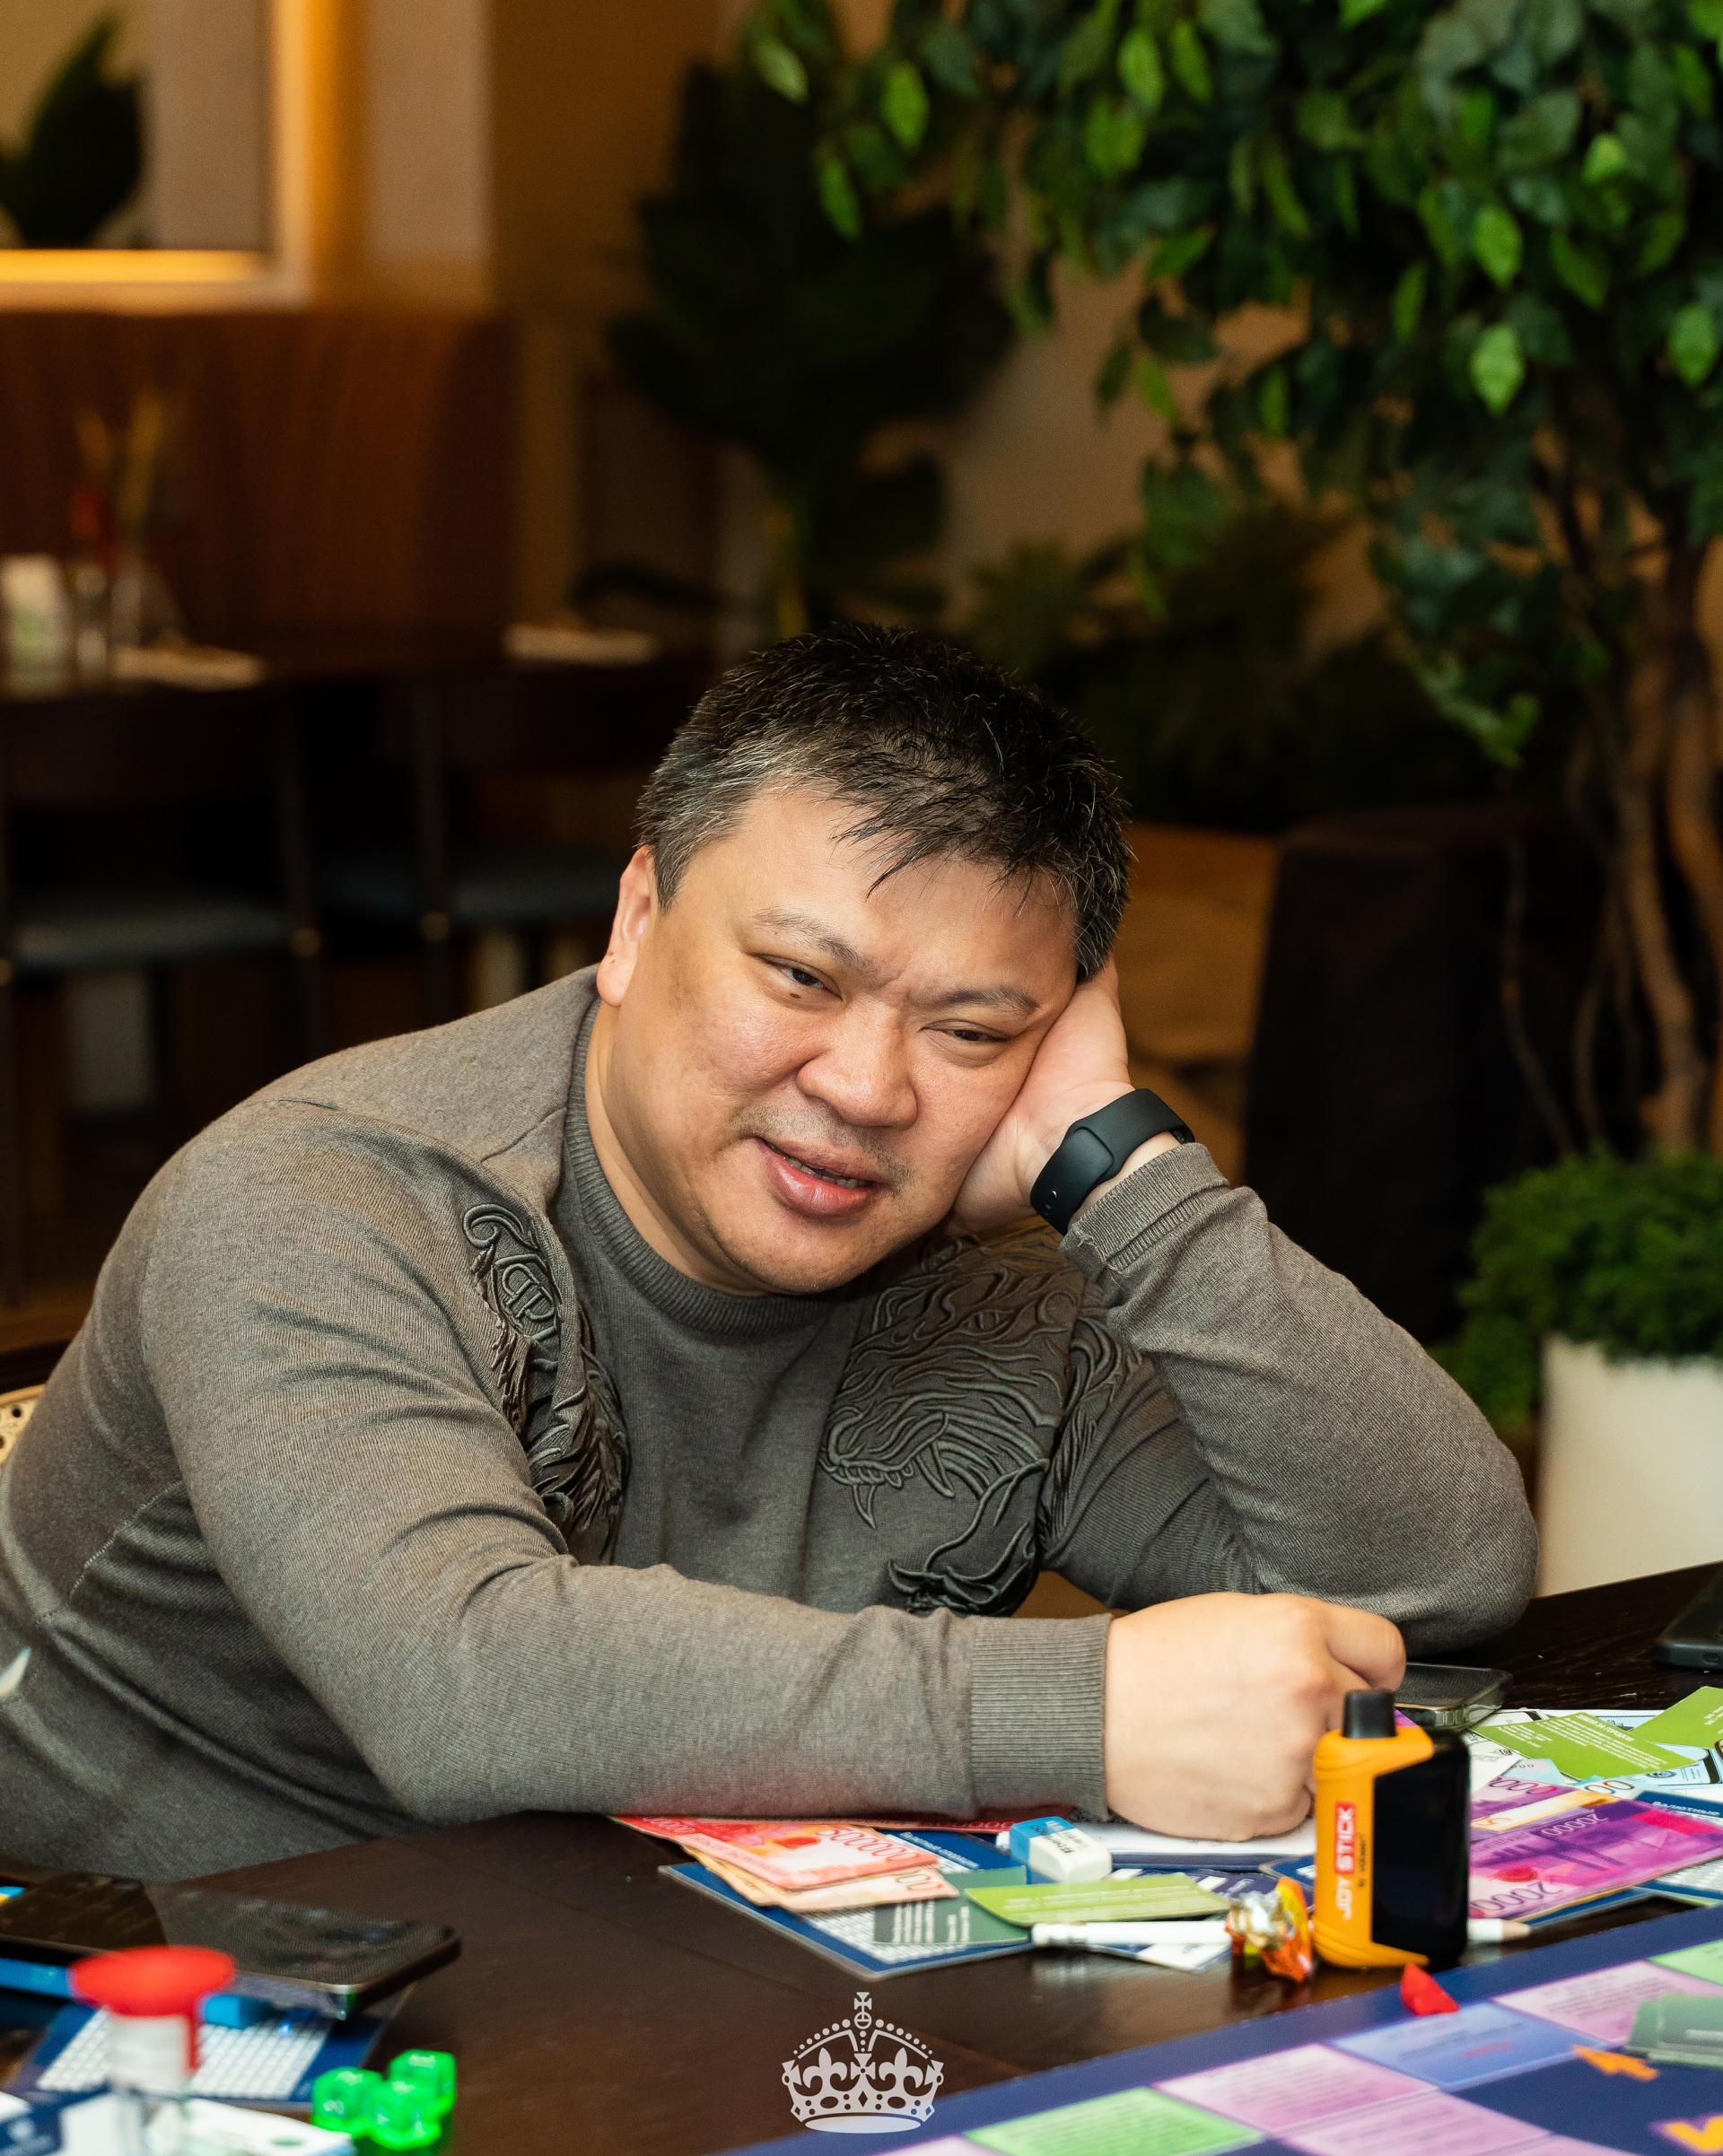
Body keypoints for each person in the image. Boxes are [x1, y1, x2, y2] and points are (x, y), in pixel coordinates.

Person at [0, 626, 1535, 1879]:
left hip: (674, 1981)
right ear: (637, 917)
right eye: (801, 976)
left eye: (973, 1029)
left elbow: (1432, 1581)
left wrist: (1125, 1172)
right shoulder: (318, 1201)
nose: (867, 1089)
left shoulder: (1002, 1280)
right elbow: (454, 1680)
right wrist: (1093, 1710)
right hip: (180, 2012)